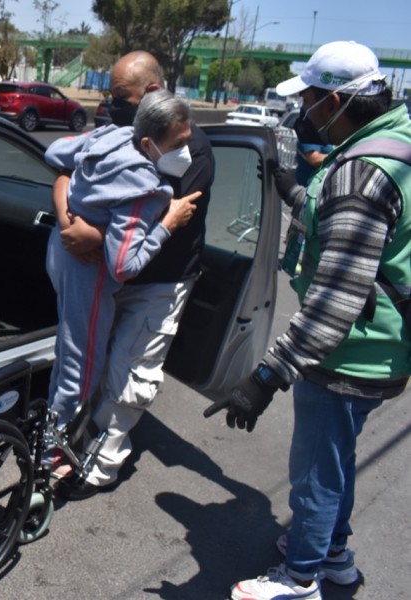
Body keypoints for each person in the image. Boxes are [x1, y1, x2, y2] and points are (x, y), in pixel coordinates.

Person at [204, 40, 411, 600]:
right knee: (337, 461)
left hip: (351, 352)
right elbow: (339, 223)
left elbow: (336, 300)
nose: (307, 111)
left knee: (317, 473)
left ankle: (300, 579)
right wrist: (292, 190)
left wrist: (268, 376)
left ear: (339, 99)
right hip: (382, 344)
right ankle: (334, 556)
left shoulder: (362, 170)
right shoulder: (393, 144)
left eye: (314, 99)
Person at [52, 51, 215, 500]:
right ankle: (70, 442)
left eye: (118, 95)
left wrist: (93, 234)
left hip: (157, 282)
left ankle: (98, 466)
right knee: (93, 364)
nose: (109, 103)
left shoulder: (187, 151)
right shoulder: (128, 135)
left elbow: (156, 217)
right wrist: (71, 220)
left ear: (148, 94)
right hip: (112, 275)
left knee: (129, 375)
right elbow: (68, 169)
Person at [293, 107, 334, 186]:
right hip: (307, 186)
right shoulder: (308, 133)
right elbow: (314, 159)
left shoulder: (321, 133)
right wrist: (340, 155)